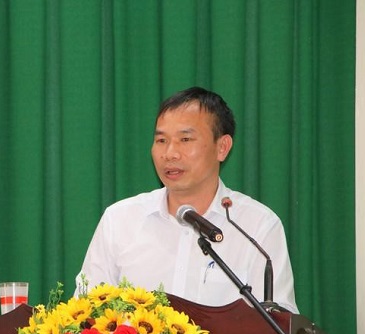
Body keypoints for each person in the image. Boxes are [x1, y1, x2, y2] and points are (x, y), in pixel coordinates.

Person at [75, 87, 299, 314]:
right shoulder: (120, 220)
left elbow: (280, 323)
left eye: (185, 139)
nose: (170, 153)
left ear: (222, 147)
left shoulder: (257, 226)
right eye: (161, 140)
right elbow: (84, 314)